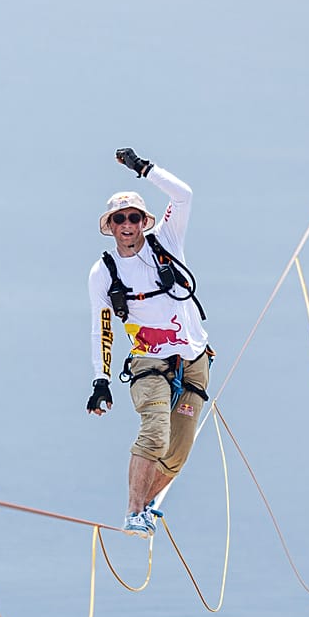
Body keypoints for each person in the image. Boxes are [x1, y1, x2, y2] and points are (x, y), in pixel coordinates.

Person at [85, 148, 213, 538]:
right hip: (149, 362)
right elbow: (102, 329)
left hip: (194, 360)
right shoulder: (103, 272)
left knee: (177, 453)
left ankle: (145, 506)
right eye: (119, 219)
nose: (127, 225)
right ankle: (133, 512)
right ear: (110, 226)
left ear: (144, 221)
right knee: (155, 433)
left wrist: (143, 168)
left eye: (134, 217)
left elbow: (184, 195)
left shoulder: (166, 241)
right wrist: (101, 380)